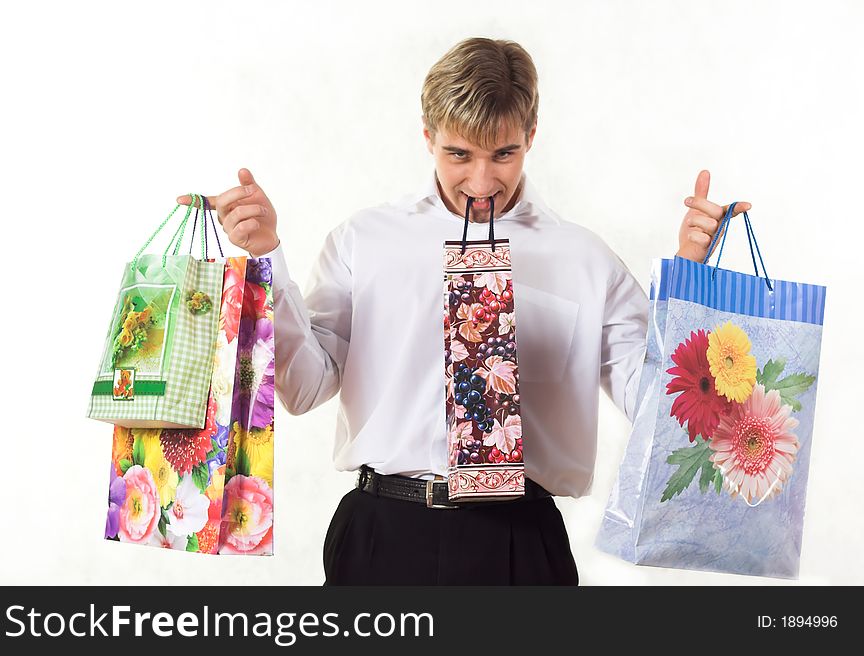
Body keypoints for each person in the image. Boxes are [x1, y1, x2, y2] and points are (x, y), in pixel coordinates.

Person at [178, 37, 750, 585]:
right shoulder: (365, 240)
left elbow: (657, 407)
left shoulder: (585, 259)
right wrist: (265, 258)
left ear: (531, 135)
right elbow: (304, 388)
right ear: (428, 137)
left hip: (519, 542)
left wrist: (690, 279)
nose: (482, 181)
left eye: (504, 154)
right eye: (459, 153)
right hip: (381, 533)